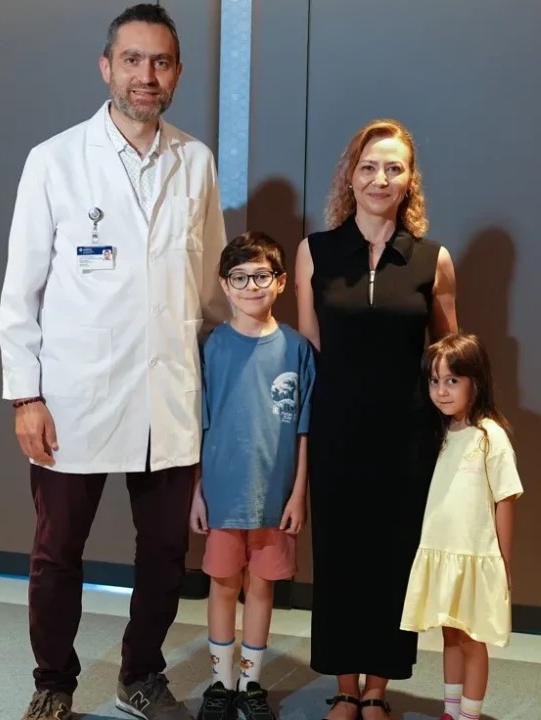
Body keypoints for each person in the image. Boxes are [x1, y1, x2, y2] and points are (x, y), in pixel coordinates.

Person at [0, 5, 229, 720]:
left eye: (160, 62)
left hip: (168, 393)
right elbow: (20, 290)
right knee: (57, 550)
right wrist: (25, 396)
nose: (145, 75)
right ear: (106, 67)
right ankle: (53, 682)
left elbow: (210, 287)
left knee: (163, 553)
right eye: (132, 59)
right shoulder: (54, 160)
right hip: (76, 395)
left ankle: (141, 674)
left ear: (177, 73)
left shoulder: (196, 162)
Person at [294, 118, 458, 720]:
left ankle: (377, 689)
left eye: (393, 168)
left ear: (409, 179)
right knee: (339, 556)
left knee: (394, 559)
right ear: (350, 176)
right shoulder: (314, 251)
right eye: (368, 167)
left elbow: (448, 354)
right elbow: (310, 346)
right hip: (336, 430)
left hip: (407, 436)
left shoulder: (433, 260)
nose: (379, 178)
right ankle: (344, 684)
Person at [189, 231, 316, 720]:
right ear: (224, 284)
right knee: (223, 585)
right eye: (239, 278)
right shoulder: (211, 347)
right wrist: (197, 492)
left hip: (275, 497)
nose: (250, 287)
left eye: (261, 276)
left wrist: (298, 493)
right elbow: (198, 424)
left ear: (280, 282)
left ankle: (251, 684)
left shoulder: (297, 349)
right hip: (222, 494)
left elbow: (304, 430)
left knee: (262, 588)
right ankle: (221, 684)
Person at [400, 332, 522, 720]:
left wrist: (503, 563)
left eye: (452, 380)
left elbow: (506, 499)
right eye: (435, 381)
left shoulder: (491, 437)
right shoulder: (440, 435)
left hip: (475, 557)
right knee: (449, 634)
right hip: (442, 552)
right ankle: (451, 711)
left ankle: (469, 715)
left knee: (472, 639)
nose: (442, 391)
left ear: (476, 381)